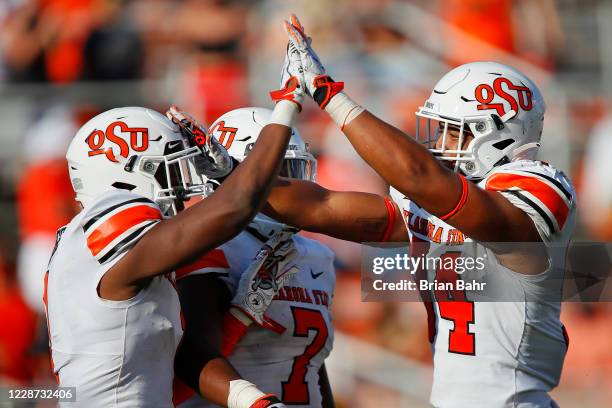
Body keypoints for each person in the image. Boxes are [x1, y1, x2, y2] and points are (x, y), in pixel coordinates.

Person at [260, 15, 576, 407]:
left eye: (454, 130)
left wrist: (330, 95)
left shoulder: (540, 186)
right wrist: (232, 178)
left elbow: (423, 179)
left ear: (499, 134)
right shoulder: (438, 198)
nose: (441, 142)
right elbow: (320, 206)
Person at [43, 62, 305, 408]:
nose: (183, 189)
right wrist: (287, 105)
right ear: (126, 177)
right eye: (172, 172)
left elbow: (163, 387)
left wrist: (242, 317)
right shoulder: (107, 219)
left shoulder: (90, 247)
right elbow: (236, 207)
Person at [174, 107, 336, 408]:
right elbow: (193, 357)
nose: (292, 190)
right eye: (276, 177)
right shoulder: (211, 248)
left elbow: (311, 363)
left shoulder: (317, 256)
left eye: (293, 173)